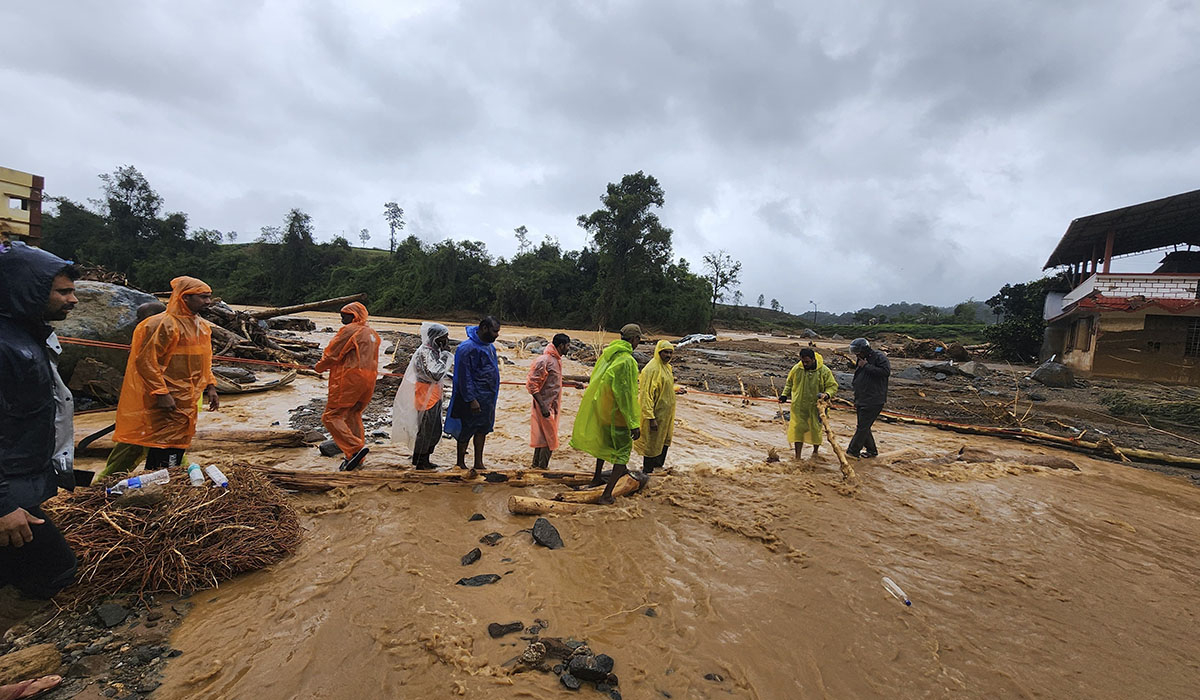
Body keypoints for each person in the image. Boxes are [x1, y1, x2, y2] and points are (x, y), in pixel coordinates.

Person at [0, 242, 80, 599]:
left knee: (22, 573)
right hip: (8, 493)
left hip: (20, 484)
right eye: (63, 291)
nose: (73, 300)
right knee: (56, 569)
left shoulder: (28, 335)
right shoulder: (6, 345)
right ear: (27, 291)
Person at [113, 276, 219, 473]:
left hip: (188, 399)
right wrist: (161, 392)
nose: (208, 302)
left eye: (209, 297)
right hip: (163, 400)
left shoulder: (202, 327)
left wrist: (211, 386)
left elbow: (205, 359)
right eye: (203, 297)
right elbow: (145, 361)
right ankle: (150, 486)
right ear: (184, 298)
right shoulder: (162, 324)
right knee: (161, 446)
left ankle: (162, 484)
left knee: (176, 445)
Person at [570, 323, 642, 505]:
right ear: (635, 339)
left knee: (603, 447)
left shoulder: (608, 355)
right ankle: (607, 494)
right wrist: (633, 422)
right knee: (622, 453)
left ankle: (596, 479)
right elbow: (625, 395)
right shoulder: (627, 361)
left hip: (604, 411)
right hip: (618, 416)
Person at [99, 300, 167, 478]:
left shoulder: (167, 339)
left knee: (162, 446)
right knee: (141, 444)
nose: (137, 322)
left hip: (156, 407)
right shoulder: (144, 337)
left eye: (141, 318)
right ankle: (106, 481)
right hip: (140, 408)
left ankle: (105, 482)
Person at [315, 302, 381, 471]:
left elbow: (332, 354)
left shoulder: (350, 330)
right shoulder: (372, 333)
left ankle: (355, 449)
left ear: (354, 316)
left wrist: (318, 367)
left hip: (349, 379)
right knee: (353, 414)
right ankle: (357, 459)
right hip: (369, 380)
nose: (341, 317)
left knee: (331, 416)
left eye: (345, 314)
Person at [392, 322, 452, 470]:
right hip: (425, 395)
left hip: (433, 394)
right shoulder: (425, 352)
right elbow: (435, 374)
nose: (447, 341)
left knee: (433, 428)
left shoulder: (432, 351)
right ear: (436, 338)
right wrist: (445, 356)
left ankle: (424, 458)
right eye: (444, 338)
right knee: (425, 429)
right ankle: (420, 461)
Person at [444, 316, 501, 471]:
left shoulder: (489, 347)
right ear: (484, 328)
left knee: (483, 429)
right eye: (495, 331)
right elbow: (464, 376)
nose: (497, 335)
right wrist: (471, 399)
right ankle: (460, 463)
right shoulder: (466, 348)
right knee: (467, 429)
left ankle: (478, 462)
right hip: (472, 397)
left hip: (488, 397)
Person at [526, 333, 577, 470]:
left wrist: (573, 383)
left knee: (542, 437)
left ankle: (535, 467)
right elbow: (531, 384)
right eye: (567, 345)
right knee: (550, 439)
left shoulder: (557, 360)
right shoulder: (544, 361)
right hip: (544, 406)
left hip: (551, 406)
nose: (568, 348)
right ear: (561, 346)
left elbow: (555, 381)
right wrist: (542, 406)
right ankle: (542, 469)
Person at [779, 347, 839, 459]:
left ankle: (815, 452)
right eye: (803, 361)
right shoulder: (797, 369)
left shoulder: (824, 371)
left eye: (807, 362)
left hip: (817, 407)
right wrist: (784, 395)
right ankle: (797, 457)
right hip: (799, 406)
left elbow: (832, 386)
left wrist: (827, 395)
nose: (805, 364)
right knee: (798, 430)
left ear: (813, 359)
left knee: (816, 430)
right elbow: (789, 383)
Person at [633, 340, 676, 474]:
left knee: (664, 441)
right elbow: (646, 395)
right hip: (655, 415)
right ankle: (647, 472)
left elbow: (664, 387)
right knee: (651, 444)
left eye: (670, 352)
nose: (668, 355)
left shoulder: (667, 367)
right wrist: (650, 418)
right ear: (658, 352)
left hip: (666, 415)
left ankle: (658, 470)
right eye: (665, 352)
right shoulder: (651, 369)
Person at [846, 337, 890, 458]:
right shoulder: (861, 358)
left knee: (862, 427)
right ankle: (872, 451)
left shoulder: (879, 358)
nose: (856, 354)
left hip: (874, 399)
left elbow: (885, 372)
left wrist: (866, 366)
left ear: (865, 349)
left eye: (858, 351)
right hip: (861, 397)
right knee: (864, 427)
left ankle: (852, 452)